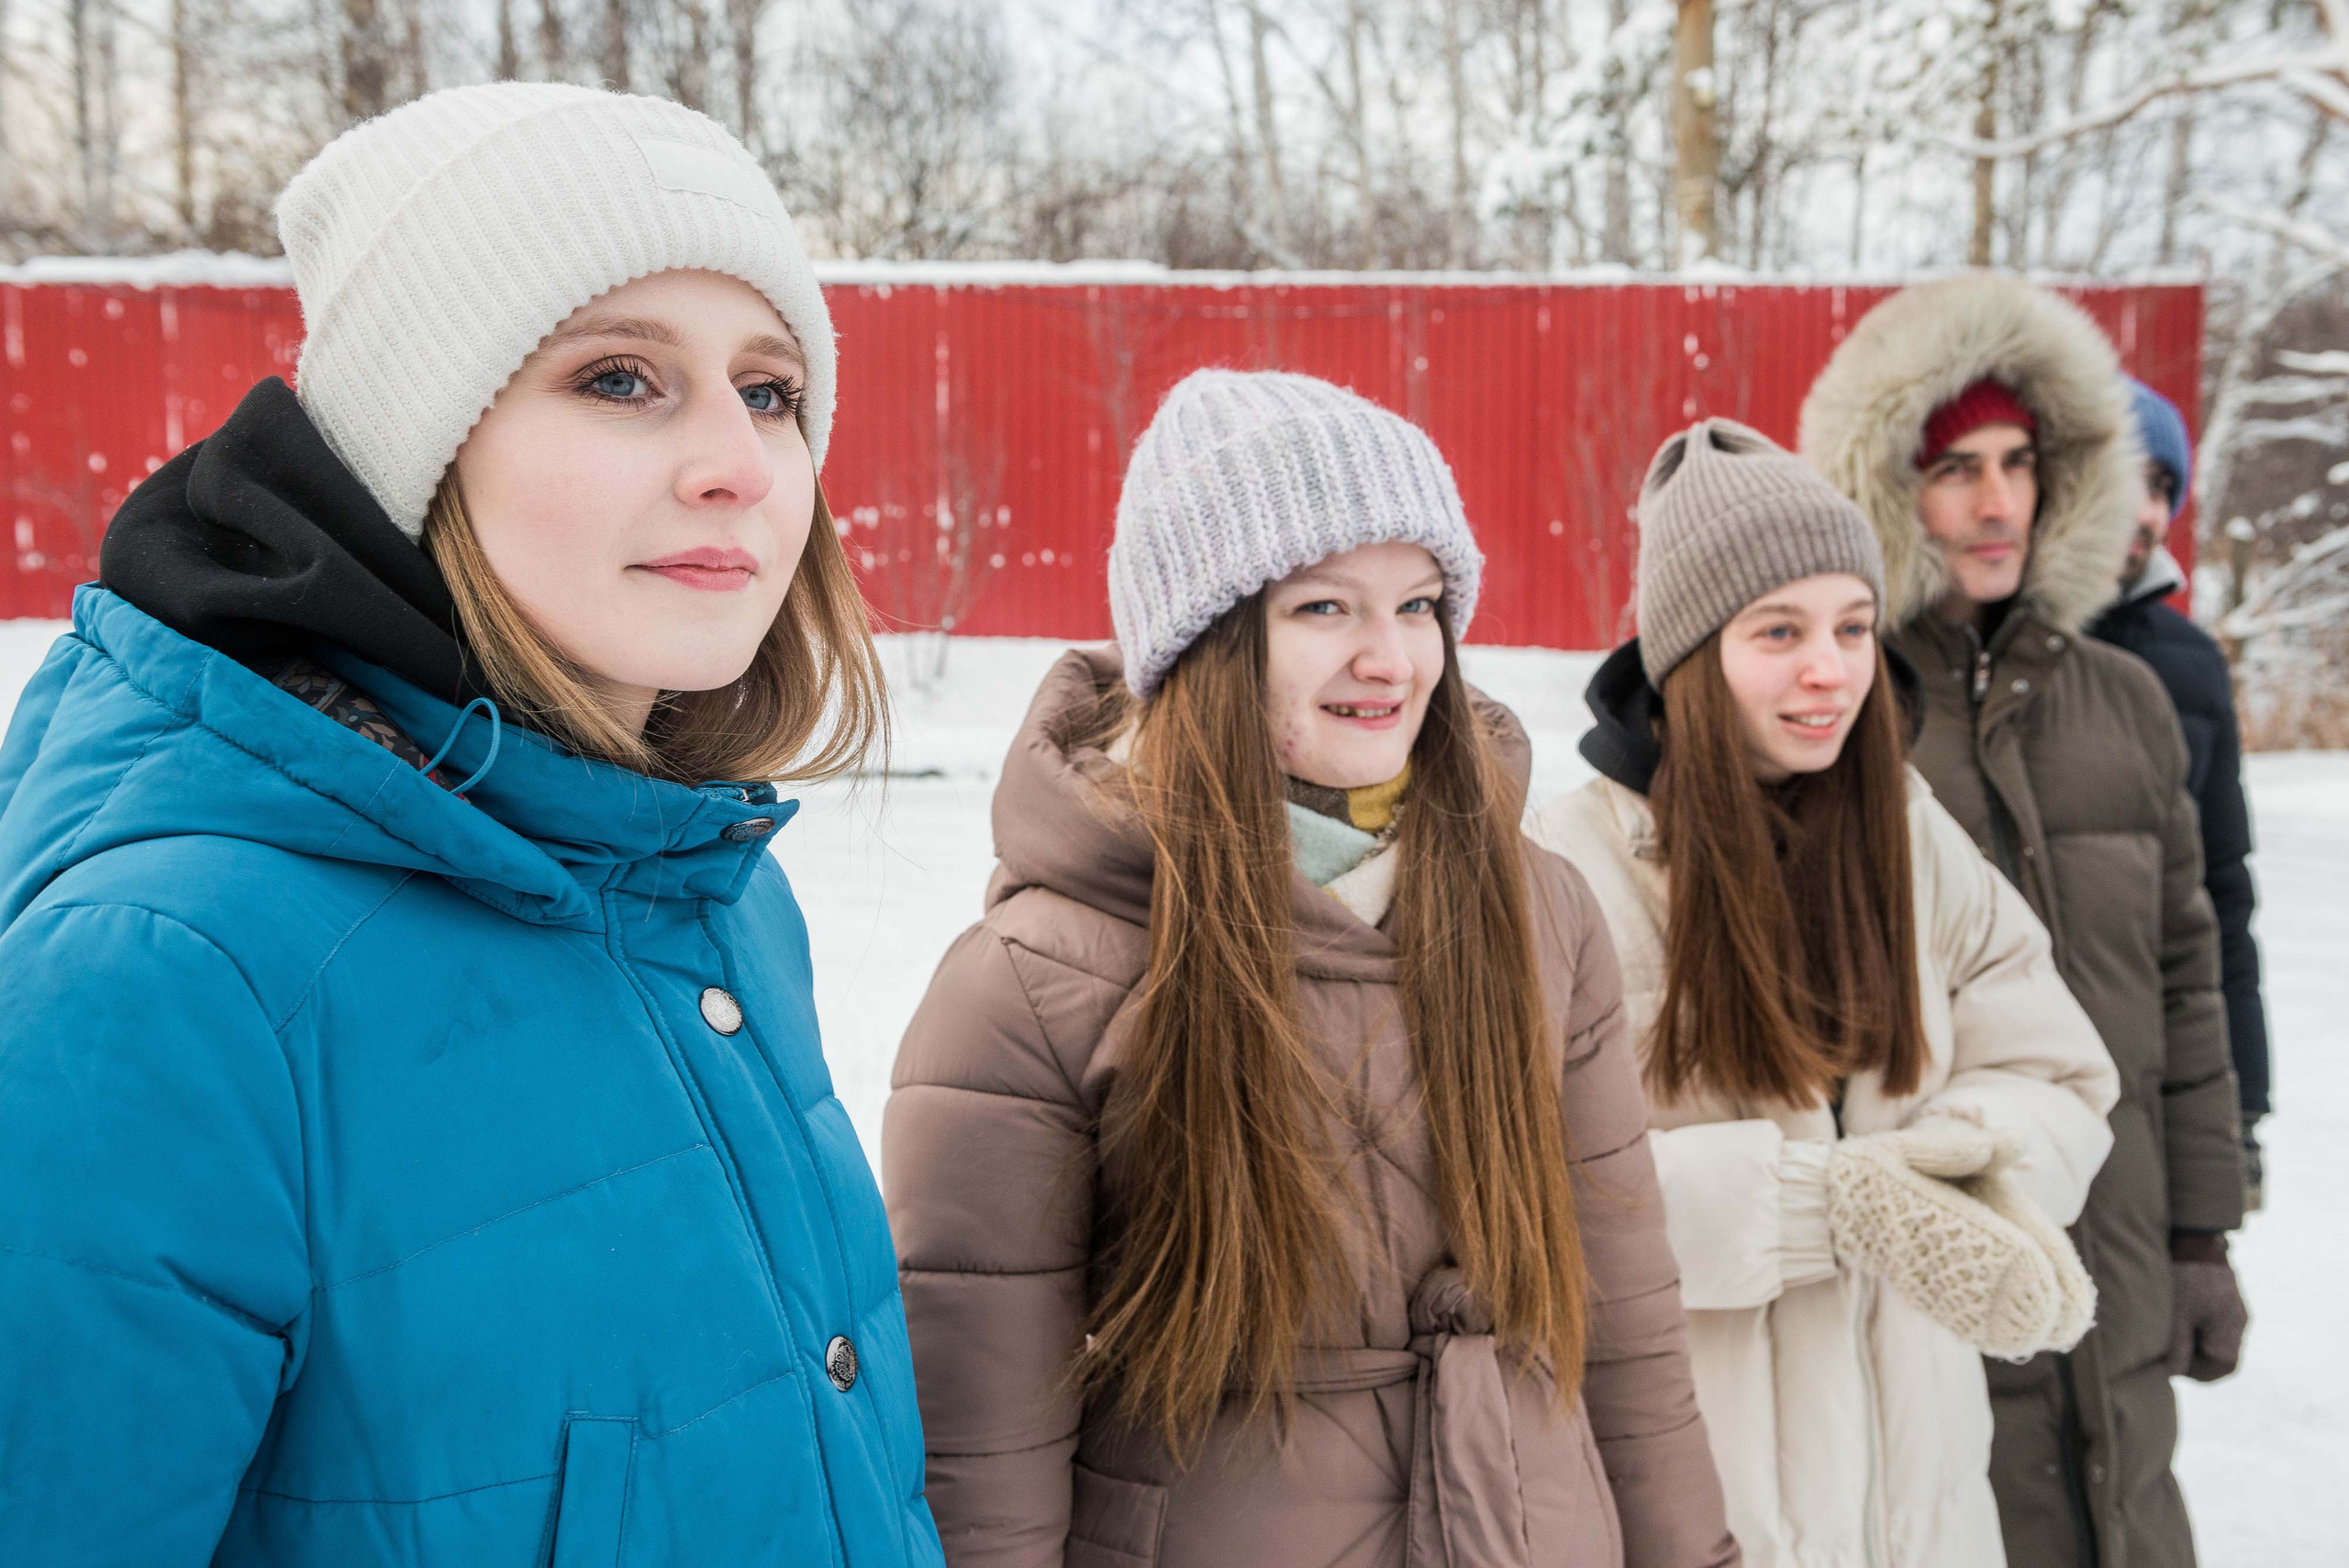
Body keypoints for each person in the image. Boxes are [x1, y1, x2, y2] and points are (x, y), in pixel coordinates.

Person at [0, 84, 943, 1565]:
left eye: (770, 390)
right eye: (621, 377)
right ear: (414, 443)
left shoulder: (717, 894)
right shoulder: (163, 980)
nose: (739, 463)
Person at [885, 370, 1739, 1568]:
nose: (1391, 657)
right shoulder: (1032, 979)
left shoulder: (1541, 910)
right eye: (1325, 608)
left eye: (1421, 603)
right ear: (1209, 640)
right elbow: (980, 1455)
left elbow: (1630, 1325)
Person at [1527, 418, 2118, 1568]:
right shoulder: (1563, 866)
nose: (1830, 668)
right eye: (1779, 631)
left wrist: (1952, 1168)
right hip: (1698, 1499)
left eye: (1853, 626)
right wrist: (1822, 1203)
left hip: (1925, 1504)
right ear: (1688, 653)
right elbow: (1524, 1185)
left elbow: (2051, 1066)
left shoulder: (1904, 827)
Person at [1798, 273, 2248, 1568]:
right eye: (1953, 468)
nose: (1996, 504)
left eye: (2018, 462)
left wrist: (2203, 1231)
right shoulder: (1842, 716)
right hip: (1939, 1257)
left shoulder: (2128, 701)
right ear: (1886, 484)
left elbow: (2188, 978)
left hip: (2122, 1235)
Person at [2090, 379, 2271, 1209]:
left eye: (2162, 485)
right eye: (2123, 475)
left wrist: (2242, 1109)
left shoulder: (2192, 664)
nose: (2146, 509)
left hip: (2159, 1067)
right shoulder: (1985, 650)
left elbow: (2223, 899)